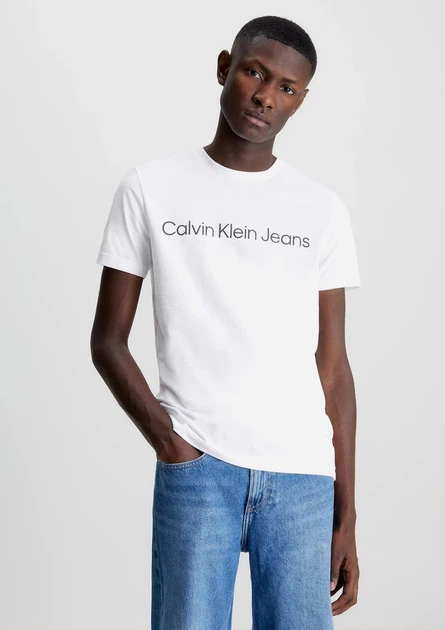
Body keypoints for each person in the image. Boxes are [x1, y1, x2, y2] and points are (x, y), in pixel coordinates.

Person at [91, 14, 361, 630]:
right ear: (224, 68)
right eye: (255, 73)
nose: (266, 96)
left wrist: (346, 512)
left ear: (300, 101)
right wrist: (172, 444)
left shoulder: (321, 209)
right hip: (197, 467)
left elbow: (334, 366)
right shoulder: (151, 187)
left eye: (287, 87)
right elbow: (107, 340)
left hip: (301, 477)